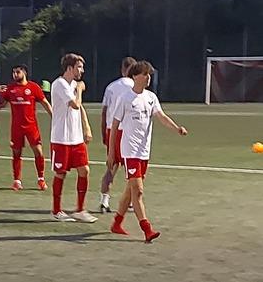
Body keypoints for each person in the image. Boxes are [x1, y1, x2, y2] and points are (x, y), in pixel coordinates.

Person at [109, 61, 188, 242]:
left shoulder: (151, 97)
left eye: (149, 74)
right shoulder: (125, 98)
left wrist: (177, 128)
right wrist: (111, 153)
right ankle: (147, 229)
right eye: (145, 74)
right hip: (129, 151)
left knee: (131, 190)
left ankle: (116, 223)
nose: (148, 78)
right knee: (138, 191)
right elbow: (114, 126)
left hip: (144, 152)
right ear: (135, 76)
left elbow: (161, 116)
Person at [49, 53, 96, 223]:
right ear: (70, 68)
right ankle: (56, 210)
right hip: (61, 138)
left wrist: (86, 127)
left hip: (76, 138)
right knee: (61, 173)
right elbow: (75, 104)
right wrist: (80, 90)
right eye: (79, 67)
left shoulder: (74, 84)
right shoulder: (59, 84)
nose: (82, 71)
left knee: (84, 170)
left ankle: (80, 209)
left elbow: (80, 108)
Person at [1, 64, 53, 191]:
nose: (15, 75)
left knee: (38, 152)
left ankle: (41, 179)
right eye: (13, 72)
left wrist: (54, 117)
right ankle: (17, 181)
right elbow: (2, 104)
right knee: (16, 153)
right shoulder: (10, 88)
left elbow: (45, 103)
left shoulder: (33, 87)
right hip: (16, 127)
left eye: (17, 72)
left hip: (31, 126)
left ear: (24, 73)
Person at [98, 56, 136, 213]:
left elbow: (104, 112)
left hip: (111, 131)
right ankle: (131, 202)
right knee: (132, 169)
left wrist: (104, 134)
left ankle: (104, 201)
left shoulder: (111, 87)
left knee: (111, 167)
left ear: (122, 69)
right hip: (127, 131)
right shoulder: (136, 87)